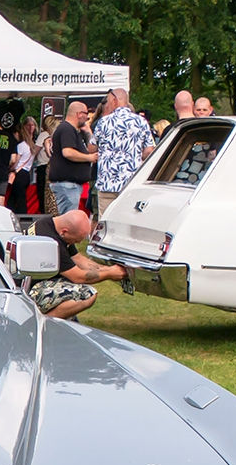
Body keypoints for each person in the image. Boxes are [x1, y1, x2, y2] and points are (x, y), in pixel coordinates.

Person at [23, 210, 130, 319]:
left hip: (29, 281)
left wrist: (108, 269)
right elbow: (78, 277)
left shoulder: (50, 224)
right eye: (76, 240)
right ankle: (41, 324)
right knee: (86, 294)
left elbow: (77, 258)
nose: (78, 243)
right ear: (64, 232)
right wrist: (110, 274)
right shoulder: (51, 244)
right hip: (28, 290)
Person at [91, 88, 155, 216]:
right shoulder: (140, 121)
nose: (107, 104)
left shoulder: (103, 122)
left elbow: (92, 148)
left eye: (108, 101)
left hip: (107, 182)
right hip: (131, 182)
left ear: (114, 100)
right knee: (129, 219)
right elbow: (149, 150)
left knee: (106, 222)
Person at [48, 101, 97, 215]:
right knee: (68, 219)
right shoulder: (67, 129)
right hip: (67, 185)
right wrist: (89, 158)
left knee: (68, 217)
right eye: (86, 114)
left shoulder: (71, 130)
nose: (87, 118)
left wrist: (88, 132)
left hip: (69, 185)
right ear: (79, 114)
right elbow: (68, 152)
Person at [9, 116, 38, 214]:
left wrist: (11, 169)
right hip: (26, 173)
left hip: (19, 173)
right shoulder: (32, 145)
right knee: (17, 197)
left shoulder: (21, 146)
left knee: (17, 198)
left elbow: (16, 162)